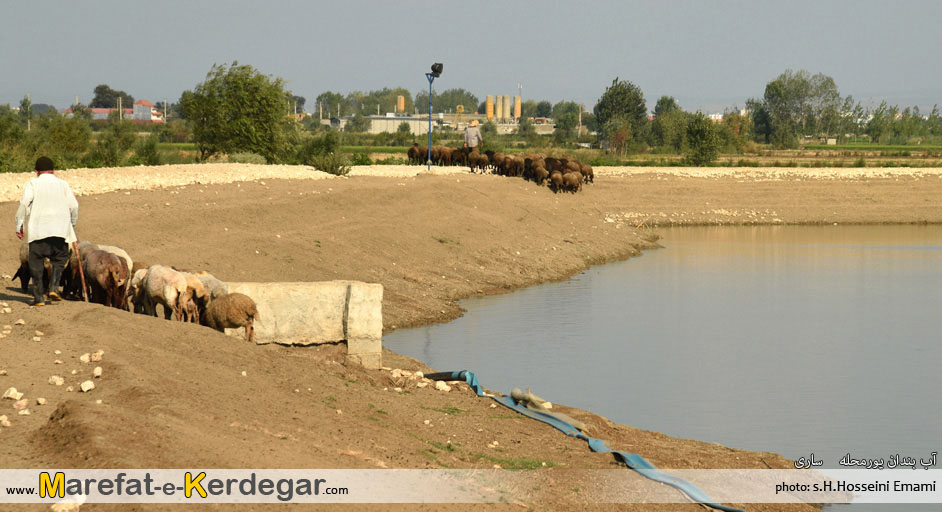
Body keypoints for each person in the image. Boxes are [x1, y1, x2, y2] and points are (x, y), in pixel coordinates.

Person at [15, 156, 78, 306]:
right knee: (60, 259)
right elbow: (74, 206)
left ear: (36, 172)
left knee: (35, 263)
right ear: (53, 171)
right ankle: (54, 288)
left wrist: (19, 225)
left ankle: (38, 298)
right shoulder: (63, 184)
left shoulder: (33, 184)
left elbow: (24, 204)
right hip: (60, 230)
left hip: (39, 230)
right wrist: (72, 224)